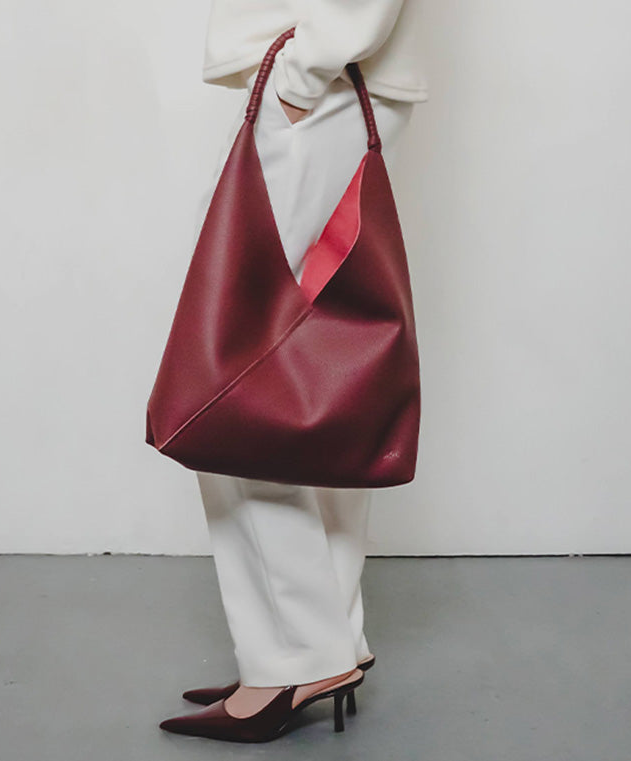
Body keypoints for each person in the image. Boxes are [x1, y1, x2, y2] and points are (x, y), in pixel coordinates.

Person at [158, 0, 428, 743]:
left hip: (320, 83)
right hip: (331, 79)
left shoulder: (311, 76)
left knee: (238, 386)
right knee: (314, 375)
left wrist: (304, 71)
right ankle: (328, 641)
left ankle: (293, 660)